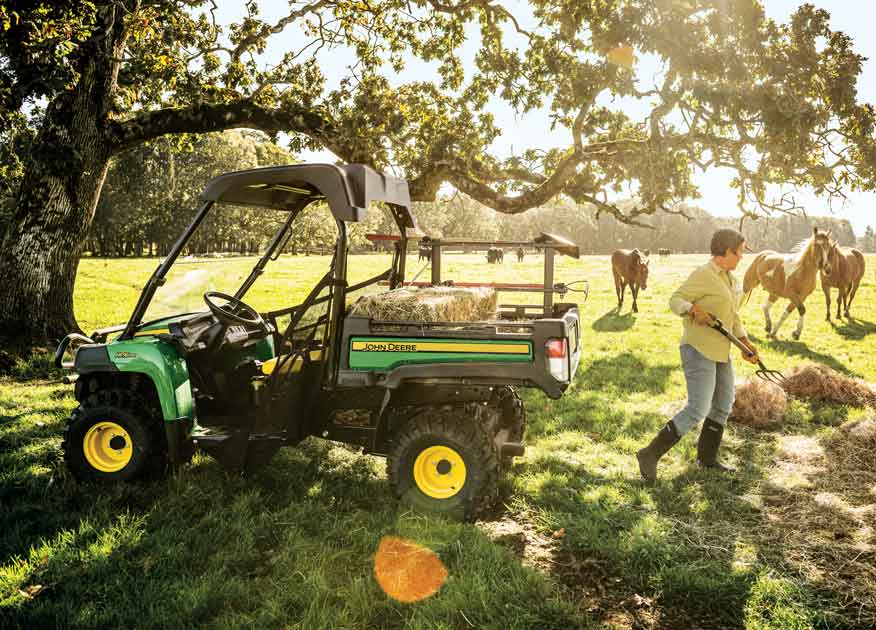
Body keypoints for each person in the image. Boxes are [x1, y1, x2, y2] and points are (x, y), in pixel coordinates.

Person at [636, 228, 760, 481]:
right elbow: (675, 300)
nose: (742, 258)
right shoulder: (703, 274)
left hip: (721, 351)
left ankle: (707, 458)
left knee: (724, 404)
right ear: (726, 252)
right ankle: (649, 454)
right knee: (697, 408)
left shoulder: (731, 279)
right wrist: (693, 309)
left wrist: (745, 343)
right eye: (740, 253)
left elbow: (733, 316)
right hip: (699, 348)